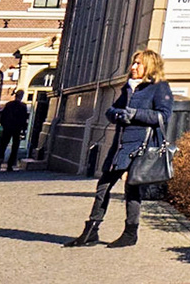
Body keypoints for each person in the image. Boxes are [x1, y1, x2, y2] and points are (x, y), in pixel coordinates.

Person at [66, 49, 172, 249]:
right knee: (103, 186)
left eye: (138, 63)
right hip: (119, 146)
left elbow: (163, 116)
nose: (133, 67)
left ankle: (130, 233)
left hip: (140, 147)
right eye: (133, 63)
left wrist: (134, 114)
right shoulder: (129, 88)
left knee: (132, 190)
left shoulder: (159, 88)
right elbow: (111, 110)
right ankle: (91, 230)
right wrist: (118, 115)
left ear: (149, 66)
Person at [0, 91, 28, 169]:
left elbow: (3, 116)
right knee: (15, 147)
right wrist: (23, 129)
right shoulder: (23, 106)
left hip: (7, 128)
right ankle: (10, 165)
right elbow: (24, 119)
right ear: (21, 96)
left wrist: (4, 125)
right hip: (17, 129)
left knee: (3, 145)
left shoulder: (9, 105)